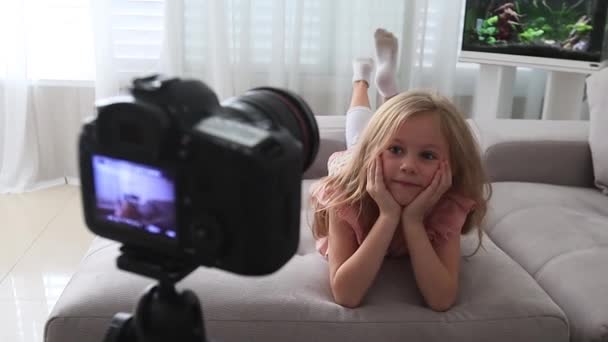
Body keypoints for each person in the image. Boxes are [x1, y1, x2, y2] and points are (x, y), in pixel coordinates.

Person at [310, 28, 491, 311]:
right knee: (360, 135)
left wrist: (413, 221)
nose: (408, 166)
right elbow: (346, 295)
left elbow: (441, 299)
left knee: (395, 131)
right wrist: (388, 215)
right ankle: (362, 79)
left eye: (428, 155)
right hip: (363, 166)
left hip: (380, 157)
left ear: (451, 166)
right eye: (396, 151)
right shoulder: (346, 196)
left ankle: (388, 89)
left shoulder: (447, 204)